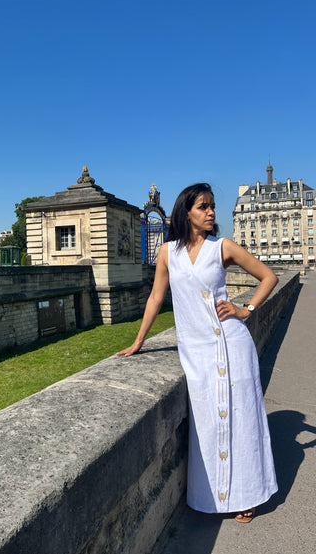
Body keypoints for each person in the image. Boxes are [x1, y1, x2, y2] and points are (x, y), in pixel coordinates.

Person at [117, 183, 278, 523]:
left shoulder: (224, 247)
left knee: (242, 419)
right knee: (207, 424)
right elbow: (155, 299)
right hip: (197, 353)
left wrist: (245, 308)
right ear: (186, 211)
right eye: (204, 206)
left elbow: (268, 277)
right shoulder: (167, 253)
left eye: (213, 207)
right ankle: (213, 496)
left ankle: (247, 494)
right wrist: (139, 342)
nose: (211, 213)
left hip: (232, 345)